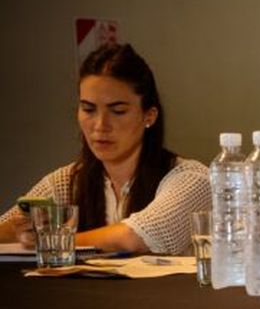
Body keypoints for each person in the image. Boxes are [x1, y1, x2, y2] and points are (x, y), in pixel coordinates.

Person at [0, 43, 210, 255]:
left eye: (118, 111)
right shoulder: (67, 181)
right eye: (88, 109)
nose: (100, 125)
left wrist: (53, 239)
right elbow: (10, 224)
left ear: (149, 116)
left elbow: (135, 238)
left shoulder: (192, 179)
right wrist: (23, 230)